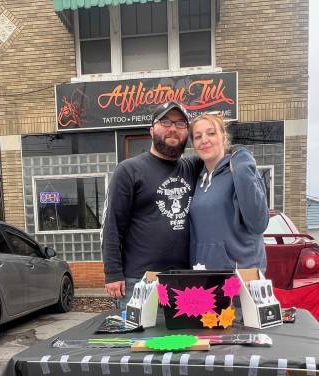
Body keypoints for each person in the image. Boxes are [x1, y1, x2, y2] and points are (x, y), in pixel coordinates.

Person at [102, 101, 201, 304]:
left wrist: (241, 157)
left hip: (184, 281)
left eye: (181, 123)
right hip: (139, 281)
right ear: (151, 129)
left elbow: (220, 149)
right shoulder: (129, 170)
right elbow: (112, 225)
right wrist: (113, 273)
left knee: (182, 336)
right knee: (141, 336)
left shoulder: (192, 167)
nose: (173, 128)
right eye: (165, 121)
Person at [188, 113, 269, 271]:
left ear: (223, 137)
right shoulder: (197, 179)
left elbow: (259, 223)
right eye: (198, 136)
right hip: (204, 275)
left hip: (240, 275)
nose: (204, 140)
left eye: (211, 133)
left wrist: (243, 167)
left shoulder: (239, 170)